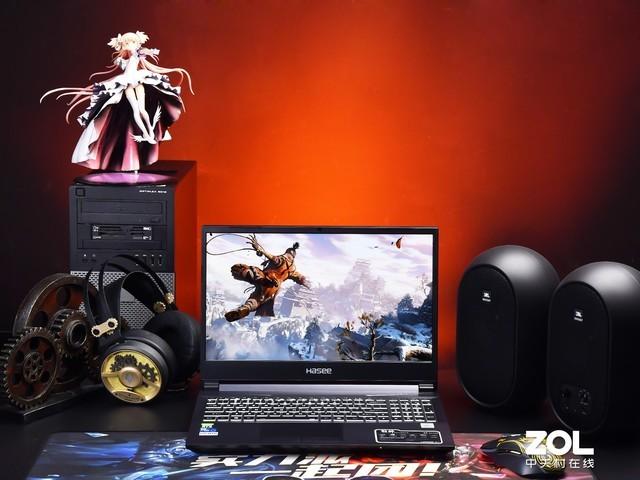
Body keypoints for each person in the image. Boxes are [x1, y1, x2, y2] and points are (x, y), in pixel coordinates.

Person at [41, 31, 193, 171]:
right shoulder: (122, 59)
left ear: (137, 43)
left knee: (142, 109)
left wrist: (149, 52)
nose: (130, 45)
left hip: (137, 80)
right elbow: (122, 62)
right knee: (135, 110)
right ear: (122, 45)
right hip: (127, 83)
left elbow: (146, 52)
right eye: (126, 43)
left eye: (132, 42)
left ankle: (148, 133)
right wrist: (128, 56)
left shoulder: (138, 53)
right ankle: (147, 134)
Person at [225, 237, 310, 322]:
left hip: (265, 278)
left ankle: (245, 273)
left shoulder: (281, 259)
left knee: (241, 269)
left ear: (287, 252)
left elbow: (272, 257)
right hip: (273, 289)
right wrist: (308, 285)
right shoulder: (293, 270)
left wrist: (259, 248)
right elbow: (301, 279)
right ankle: (245, 309)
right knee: (258, 299)